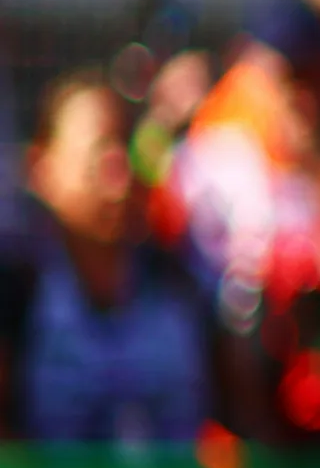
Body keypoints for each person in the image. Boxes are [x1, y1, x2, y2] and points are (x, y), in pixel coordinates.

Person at [0, 75, 214, 445]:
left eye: (124, 146)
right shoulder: (16, 295)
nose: (118, 171)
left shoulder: (179, 284)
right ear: (41, 165)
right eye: (99, 150)